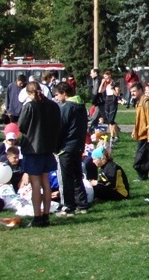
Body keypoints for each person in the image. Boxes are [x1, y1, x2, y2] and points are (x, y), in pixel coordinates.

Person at [18, 81, 61, 227]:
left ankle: (37, 217)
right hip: (48, 147)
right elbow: (57, 124)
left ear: (29, 92)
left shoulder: (29, 106)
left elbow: (22, 126)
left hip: (33, 148)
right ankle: (46, 215)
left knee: (35, 183)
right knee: (46, 181)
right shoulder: (53, 105)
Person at [54, 82, 90, 217]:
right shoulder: (81, 106)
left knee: (66, 178)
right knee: (77, 176)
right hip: (78, 146)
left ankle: (68, 206)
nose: (56, 98)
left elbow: (60, 128)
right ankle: (82, 204)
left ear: (64, 93)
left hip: (66, 147)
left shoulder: (66, 107)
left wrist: (56, 147)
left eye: (57, 95)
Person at [129, 81, 149, 180]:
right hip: (141, 134)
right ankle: (143, 176)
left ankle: (142, 176)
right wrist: (134, 130)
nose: (132, 93)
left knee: (140, 157)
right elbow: (138, 119)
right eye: (131, 92)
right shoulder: (138, 103)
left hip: (146, 135)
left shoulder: (147, 102)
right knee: (143, 157)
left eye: (134, 91)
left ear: (140, 90)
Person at [99, 70, 120, 142]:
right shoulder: (105, 83)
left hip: (113, 101)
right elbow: (100, 91)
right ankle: (117, 136)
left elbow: (117, 94)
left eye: (106, 76)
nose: (105, 78)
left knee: (111, 120)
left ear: (109, 75)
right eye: (104, 77)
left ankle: (112, 137)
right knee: (109, 120)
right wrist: (102, 83)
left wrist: (112, 88)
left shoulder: (115, 83)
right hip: (107, 100)